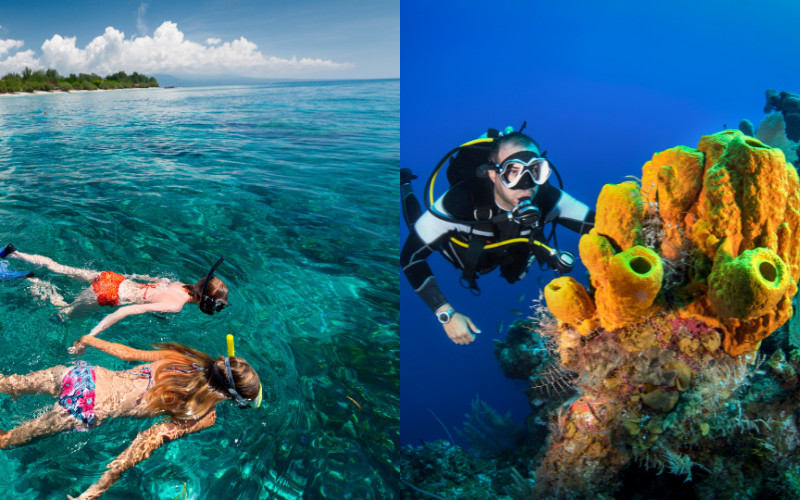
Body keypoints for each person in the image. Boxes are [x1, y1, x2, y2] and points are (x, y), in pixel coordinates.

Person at [0, 334, 262, 499]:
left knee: (6, 384)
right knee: (6, 439)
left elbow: (127, 353)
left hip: (81, 374)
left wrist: (89, 340)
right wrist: (96, 490)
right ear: (230, 397)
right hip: (85, 407)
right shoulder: (204, 414)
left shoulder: (182, 357)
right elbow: (148, 440)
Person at [401, 130, 595, 345]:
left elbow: (601, 226)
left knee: (518, 269)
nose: (527, 183)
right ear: (494, 175)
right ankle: (404, 183)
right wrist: (445, 314)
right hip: (462, 254)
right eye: (513, 171)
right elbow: (410, 257)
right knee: (415, 226)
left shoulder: (549, 199)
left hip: (512, 254)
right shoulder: (460, 202)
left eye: (536, 171)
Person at [0, 244, 229, 339]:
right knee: (63, 313)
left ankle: (13, 253)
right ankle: (33, 281)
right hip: (108, 295)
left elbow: (151, 280)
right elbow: (126, 312)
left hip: (112, 278)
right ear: (203, 300)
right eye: (214, 305)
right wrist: (93, 335)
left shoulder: (179, 284)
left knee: (59, 268)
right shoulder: (176, 306)